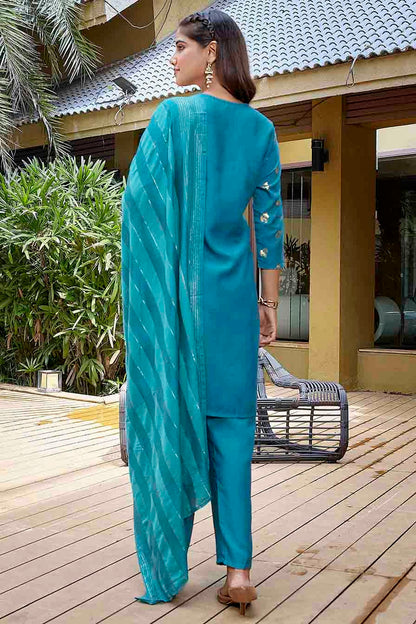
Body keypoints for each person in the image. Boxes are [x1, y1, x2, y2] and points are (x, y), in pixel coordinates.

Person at [121, 7, 285, 616]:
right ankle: (238, 571)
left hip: (180, 309)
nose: (173, 60)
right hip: (235, 303)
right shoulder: (260, 130)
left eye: (180, 48)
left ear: (211, 51)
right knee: (233, 431)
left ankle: (172, 562)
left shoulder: (172, 119)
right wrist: (268, 303)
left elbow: (140, 212)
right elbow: (268, 229)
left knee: (176, 419)